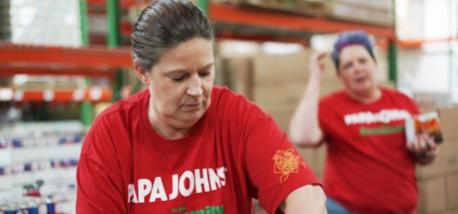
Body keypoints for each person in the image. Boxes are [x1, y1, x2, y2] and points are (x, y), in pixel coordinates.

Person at [76, 0, 326, 213]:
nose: (197, 90)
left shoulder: (236, 116)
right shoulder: (111, 135)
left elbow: (306, 194)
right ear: (142, 72)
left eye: (205, 73)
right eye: (179, 77)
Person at [289, 31, 439, 214]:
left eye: (362, 60)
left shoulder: (404, 102)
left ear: (374, 63)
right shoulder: (330, 106)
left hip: (401, 209)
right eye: (348, 65)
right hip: (344, 209)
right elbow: (302, 137)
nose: (357, 68)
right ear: (339, 75)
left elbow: (425, 156)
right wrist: (314, 79)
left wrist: (426, 151)